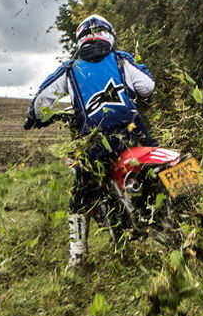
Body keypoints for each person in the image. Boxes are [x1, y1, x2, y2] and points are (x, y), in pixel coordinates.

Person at [23, 14, 157, 267]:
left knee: (81, 195)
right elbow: (148, 87)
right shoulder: (121, 60)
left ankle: (78, 255)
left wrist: (34, 116)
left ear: (80, 40)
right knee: (154, 166)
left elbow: (42, 100)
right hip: (134, 136)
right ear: (109, 35)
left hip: (96, 145)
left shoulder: (70, 70)